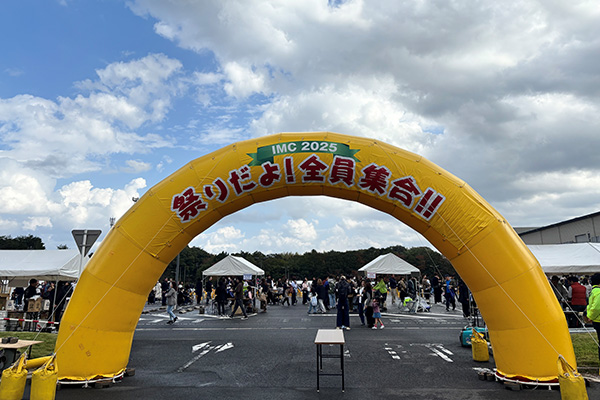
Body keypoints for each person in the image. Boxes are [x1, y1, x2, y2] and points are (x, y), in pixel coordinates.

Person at [585, 273, 600, 365]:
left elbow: (590, 306)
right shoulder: (598, 292)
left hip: (596, 320)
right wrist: (591, 316)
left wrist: (589, 316)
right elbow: (597, 308)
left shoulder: (594, 291)